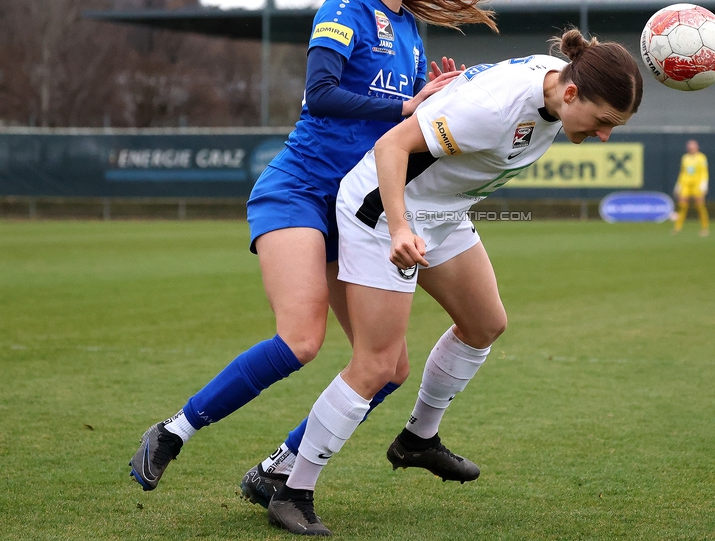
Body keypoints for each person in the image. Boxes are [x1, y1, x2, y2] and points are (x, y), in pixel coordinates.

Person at [129, 0, 498, 495]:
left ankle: (276, 469)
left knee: (389, 368)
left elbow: (402, 134)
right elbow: (322, 94)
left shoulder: (407, 32)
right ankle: (173, 431)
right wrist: (406, 105)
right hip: (297, 192)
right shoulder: (343, 9)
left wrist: (434, 96)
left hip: (352, 213)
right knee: (301, 340)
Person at [264, 30, 644, 536]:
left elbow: (470, 93)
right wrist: (400, 226)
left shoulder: (554, 83)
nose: (603, 137)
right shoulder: (495, 110)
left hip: (441, 213)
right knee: (377, 365)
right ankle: (293, 490)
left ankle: (418, 439)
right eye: (602, 123)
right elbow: (391, 146)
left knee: (485, 323)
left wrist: (451, 90)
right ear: (571, 93)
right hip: (382, 213)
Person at [672, 139, 710, 236]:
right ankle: (677, 228)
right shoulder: (685, 158)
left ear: (696, 147)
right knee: (682, 205)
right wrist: (678, 185)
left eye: (693, 147)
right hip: (685, 184)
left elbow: (704, 172)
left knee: (700, 205)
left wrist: (704, 184)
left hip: (697, 184)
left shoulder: (701, 158)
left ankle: (704, 228)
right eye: (689, 147)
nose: (691, 149)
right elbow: (682, 172)